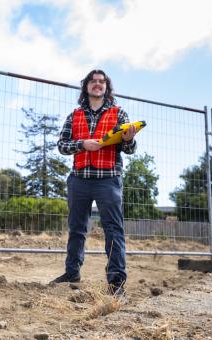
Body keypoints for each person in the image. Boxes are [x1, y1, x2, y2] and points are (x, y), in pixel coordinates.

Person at [52, 69, 137, 299]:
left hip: (108, 179)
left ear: (106, 87)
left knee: (113, 230)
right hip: (79, 179)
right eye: (93, 81)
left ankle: (116, 282)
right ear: (86, 87)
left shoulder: (119, 114)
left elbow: (129, 149)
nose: (97, 84)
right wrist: (82, 144)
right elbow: (62, 145)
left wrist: (129, 139)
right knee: (77, 229)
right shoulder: (75, 115)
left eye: (101, 82)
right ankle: (72, 274)